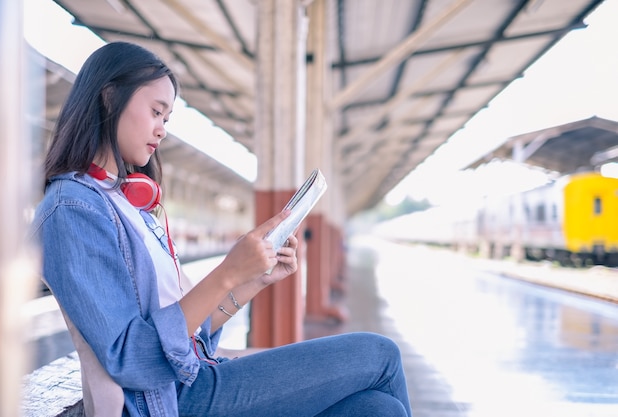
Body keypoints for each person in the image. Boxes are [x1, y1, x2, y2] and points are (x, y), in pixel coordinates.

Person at [30, 41, 411, 417]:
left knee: (377, 408)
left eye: (167, 119)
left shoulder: (128, 203)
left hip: (195, 377)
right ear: (109, 99)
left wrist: (251, 280)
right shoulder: (73, 209)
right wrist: (228, 271)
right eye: (156, 112)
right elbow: (131, 359)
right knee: (380, 354)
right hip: (172, 399)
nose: (162, 130)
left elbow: (188, 336)